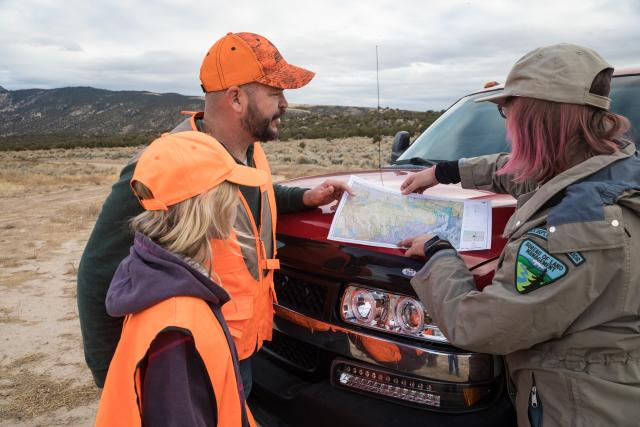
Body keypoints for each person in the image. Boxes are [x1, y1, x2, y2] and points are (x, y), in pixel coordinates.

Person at [77, 32, 353, 394]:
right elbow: (97, 275)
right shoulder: (165, 168)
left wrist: (304, 199)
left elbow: (253, 195)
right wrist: (114, 378)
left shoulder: (247, 150)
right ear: (236, 98)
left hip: (240, 348)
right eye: (275, 93)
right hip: (192, 363)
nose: (285, 103)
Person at [399, 43, 640, 427]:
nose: (505, 120)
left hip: (582, 408)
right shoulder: (609, 166)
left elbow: (478, 326)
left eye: (506, 110)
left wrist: (438, 253)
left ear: (536, 120)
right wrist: (443, 172)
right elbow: (512, 169)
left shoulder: (576, 229)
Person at [96, 133, 264, 426]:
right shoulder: (177, 327)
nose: (236, 200)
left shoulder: (155, 281)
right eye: (230, 189)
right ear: (208, 205)